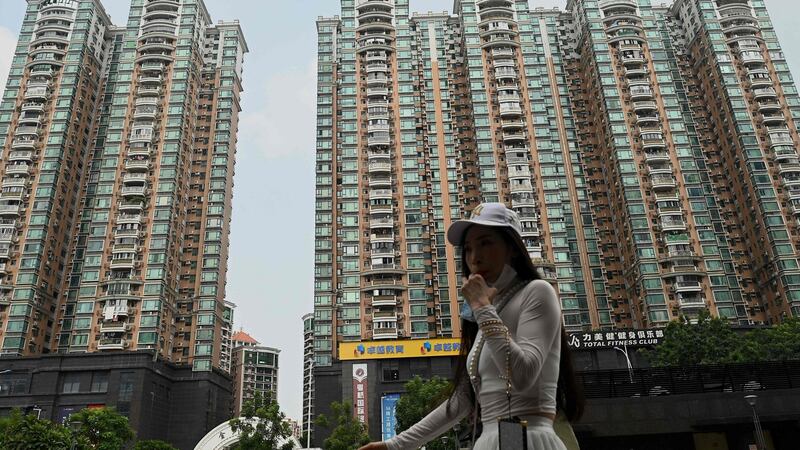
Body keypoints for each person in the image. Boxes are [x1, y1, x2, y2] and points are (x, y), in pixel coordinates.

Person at [358, 203, 583, 450]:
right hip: (493, 439)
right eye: (468, 249)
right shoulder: (488, 312)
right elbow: (462, 401)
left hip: (526, 435)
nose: (475, 258)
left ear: (513, 248)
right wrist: (395, 445)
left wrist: (482, 307)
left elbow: (523, 375)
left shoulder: (536, 292)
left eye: (486, 243)